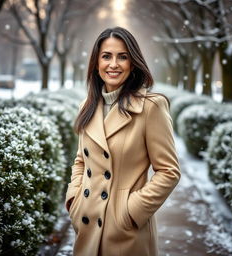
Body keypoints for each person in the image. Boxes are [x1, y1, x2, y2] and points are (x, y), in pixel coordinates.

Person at [65, 26, 181, 256]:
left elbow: (169, 171)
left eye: (123, 57)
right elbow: (81, 161)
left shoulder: (151, 107)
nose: (114, 64)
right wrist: (74, 199)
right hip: (87, 224)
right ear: (96, 63)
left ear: (133, 62)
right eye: (106, 56)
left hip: (126, 234)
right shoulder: (87, 106)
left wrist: (130, 212)